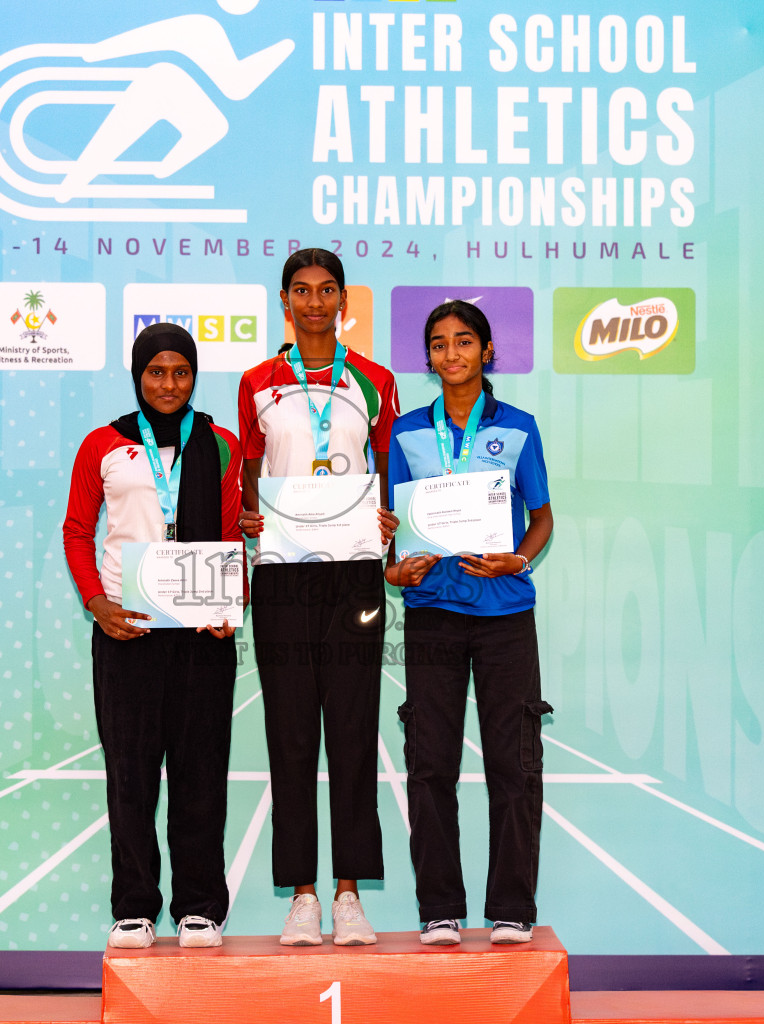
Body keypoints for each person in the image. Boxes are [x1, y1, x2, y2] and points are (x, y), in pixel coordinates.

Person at [62, 323, 244, 950]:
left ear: (194, 377)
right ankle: (134, 907)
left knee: (200, 774)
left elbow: (228, 536)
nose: (169, 384)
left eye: (181, 372)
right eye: (156, 372)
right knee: (131, 775)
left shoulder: (221, 444)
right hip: (128, 633)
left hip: (201, 634)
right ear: (138, 376)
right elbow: (76, 531)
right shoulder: (103, 446)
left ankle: (200, 907)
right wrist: (97, 605)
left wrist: (230, 598)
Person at [237, 248, 400, 946]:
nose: (313, 302)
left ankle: (350, 893)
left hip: (353, 572)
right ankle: (302, 893)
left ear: (342, 299)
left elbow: (389, 470)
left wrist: (393, 521)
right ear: (284, 300)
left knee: (356, 729)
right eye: (300, 291)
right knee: (292, 732)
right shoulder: (256, 382)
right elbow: (248, 472)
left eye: (325, 290)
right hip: (281, 573)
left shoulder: (375, 379)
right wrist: (251, 517)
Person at [383, 300, 554, 946]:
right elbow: (394, 530)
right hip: (432, 612)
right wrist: (394, 569)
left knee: (515, 762)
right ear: (427, 358)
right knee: (430, 764)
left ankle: (511, 907)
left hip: (505, 611)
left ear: (487, 351)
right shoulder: (404, 433)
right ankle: (440, 910)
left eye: (463, 342)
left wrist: (521, 555)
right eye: (438, 343)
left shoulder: (519, 427)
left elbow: (542, 516)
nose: (450, 354)